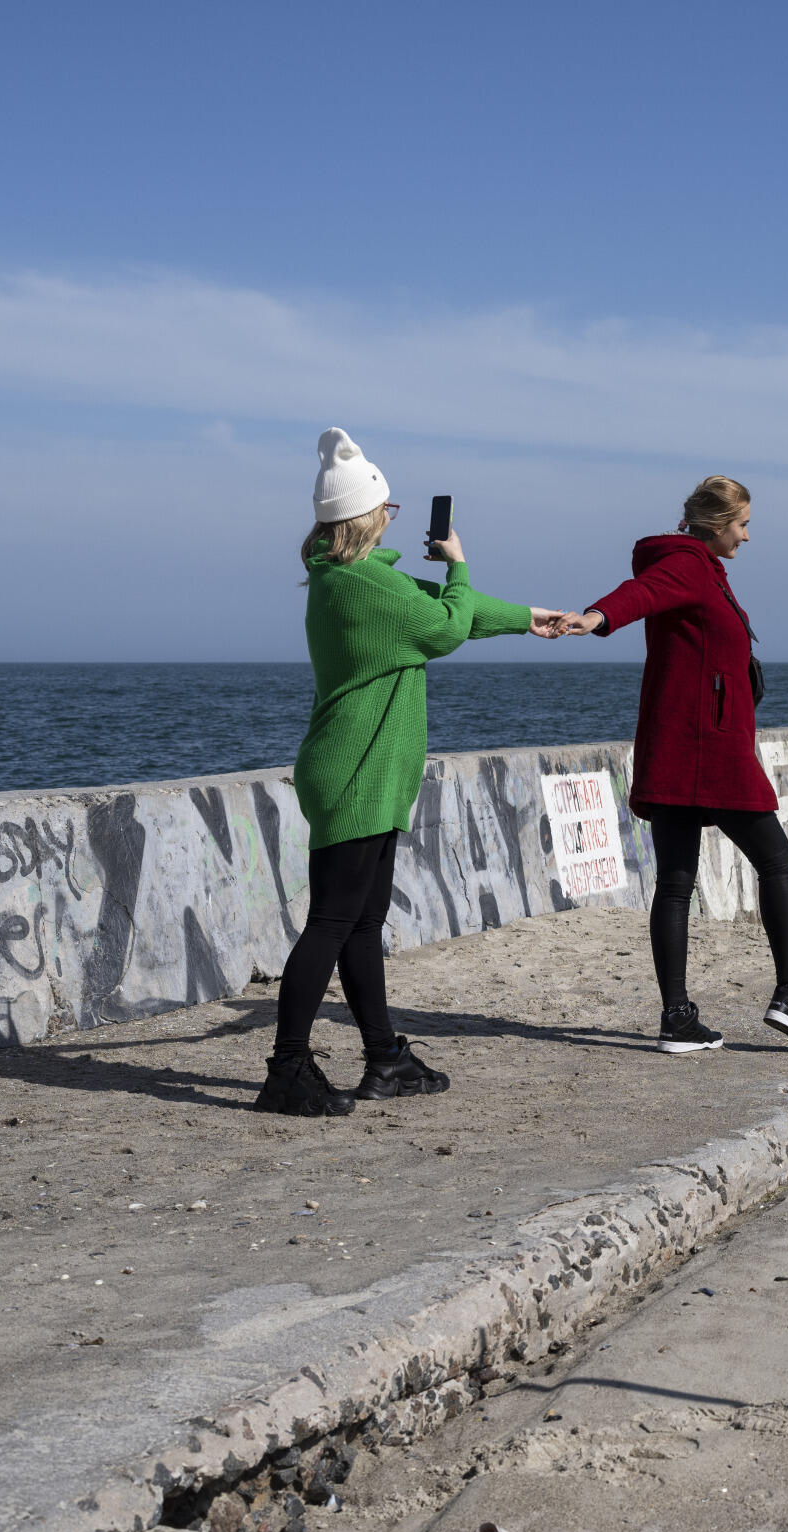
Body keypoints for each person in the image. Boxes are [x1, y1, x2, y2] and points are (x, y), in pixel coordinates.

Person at [258, 428, 573, 1116]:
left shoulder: (357, 578)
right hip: (355, 772)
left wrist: (529, 618)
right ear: (369, 515)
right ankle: (285, 1069)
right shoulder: (363, 583)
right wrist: (461, 562)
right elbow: (446, 625)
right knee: (334, 922)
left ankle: (385, 1059)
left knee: (361, 924)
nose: (394, 516)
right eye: (388, 508)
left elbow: (445, 612)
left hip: (365, 770)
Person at [567, 477, 788, 1055]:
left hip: (680, 747)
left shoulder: (704, 569)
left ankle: (677, 1019)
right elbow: (640, 595)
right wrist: (595, 617)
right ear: (716, 524)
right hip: (708, 752)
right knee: (777, 859)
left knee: (677, 882)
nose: (748, 535)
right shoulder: (686, 565)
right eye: (743, 524)